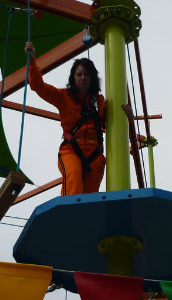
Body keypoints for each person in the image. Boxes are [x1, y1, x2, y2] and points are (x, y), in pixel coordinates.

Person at [26, 41, 120, 195]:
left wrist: (128, 116)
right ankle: (68, 210)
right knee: (74, 180)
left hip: (95, 154)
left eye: (87, 74)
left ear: (92, 78)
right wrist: (32, 61)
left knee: (89, 197)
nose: (83, 78)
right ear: (73, 78)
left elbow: (114, 122)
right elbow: (37, 86)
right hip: (71, 151)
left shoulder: (99, 101)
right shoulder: (63, 97)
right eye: (79, 74)